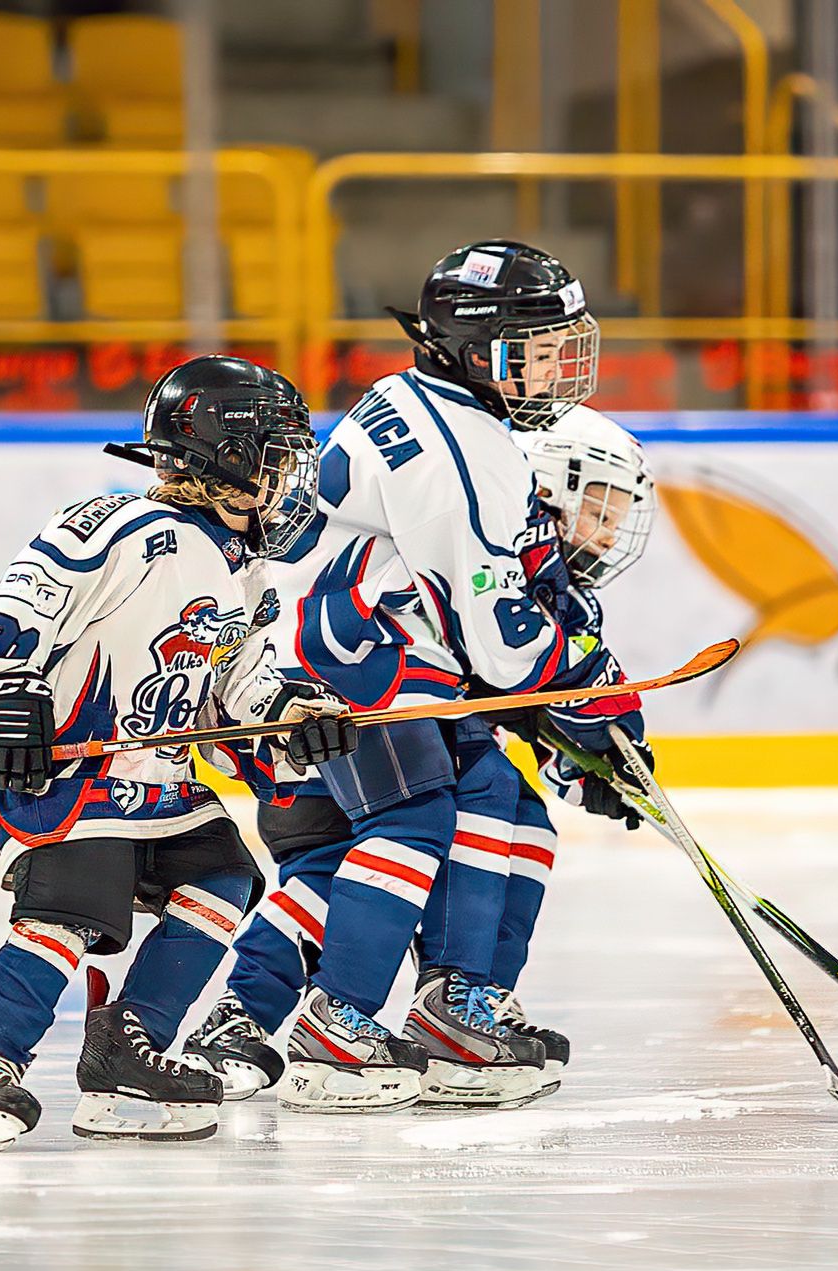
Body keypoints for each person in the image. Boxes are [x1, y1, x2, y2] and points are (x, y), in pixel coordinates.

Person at [186, 243, 654, 1115]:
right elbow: (505, 646)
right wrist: (598, 707)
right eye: (538, 346)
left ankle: (453, 1005)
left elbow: (482, 632)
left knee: (510, 809)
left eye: (563, 343)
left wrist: (573, 720)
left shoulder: (434, 406)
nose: (559, 365)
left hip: (377, 659)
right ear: (479, 349)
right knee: (408, 821)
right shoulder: (467, 454)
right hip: (336, 670)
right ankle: (336, 1024)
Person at [0, 355, 359, 1152]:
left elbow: (238, 693)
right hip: (75, 766)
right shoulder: (118, 526)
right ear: (225, 456)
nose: (290, 477)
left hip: (159, 781)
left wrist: (296, 717)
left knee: (225, 875)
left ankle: (128, 1046)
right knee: (71, 908)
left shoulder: (250, 574)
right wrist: (4, 693)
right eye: (276, 457)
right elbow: (21, 606)